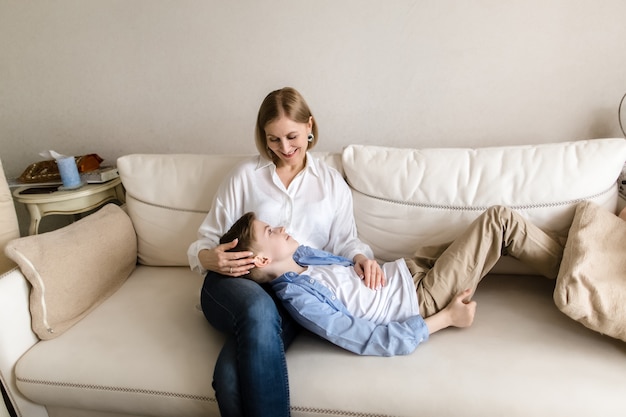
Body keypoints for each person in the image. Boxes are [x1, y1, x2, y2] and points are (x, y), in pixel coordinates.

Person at [187, 87, 383, 417]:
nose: (285, 148)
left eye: (292, 136)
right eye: (273, 140)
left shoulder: (331, 183)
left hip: (291, 291)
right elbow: (204, 240)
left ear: (310, 126)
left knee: (229, 380)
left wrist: (362, 257)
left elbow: (346, 241)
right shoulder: (243, 177)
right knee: (257, 308)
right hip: (233, 283)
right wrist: (208, 257)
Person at [219, 206, 564, 356]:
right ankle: (578, 274)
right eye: (269, 231)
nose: (279, 228)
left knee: (493, 232)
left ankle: (579, 255)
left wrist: (361, 259)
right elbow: (371, 340)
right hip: (420, 297)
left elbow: (347, 257)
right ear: (263, 259)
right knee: (498, 221)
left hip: (407, 270)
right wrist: (446, 319)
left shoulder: (304, 258)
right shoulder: (300, 300)